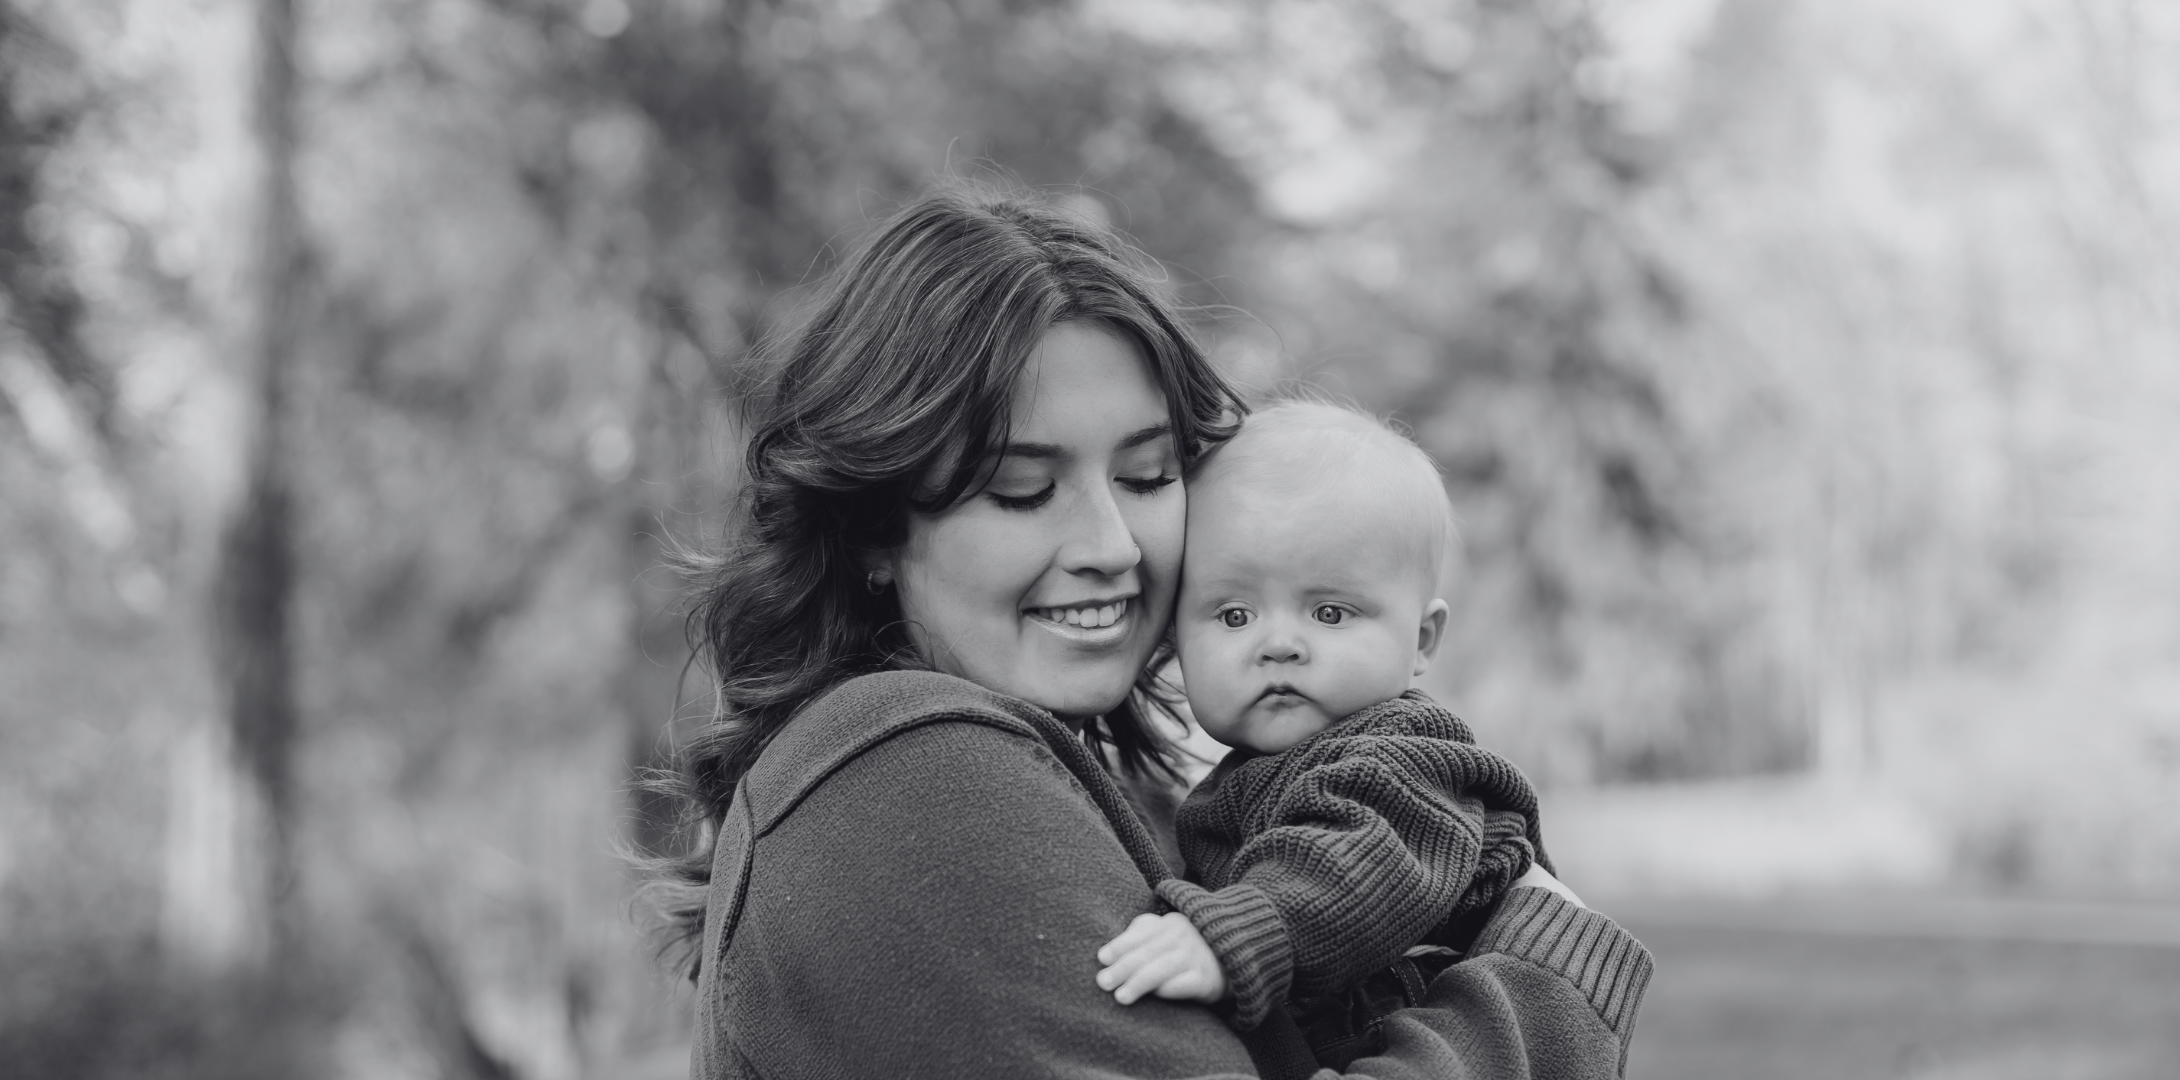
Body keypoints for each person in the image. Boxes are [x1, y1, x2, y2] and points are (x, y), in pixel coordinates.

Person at [654, 186, 1652, 1080]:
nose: (1110, 544)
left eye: (1145, 476)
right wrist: (1540, 988)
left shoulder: (1101, 787)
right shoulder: (914, 769)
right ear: (876, 528)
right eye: (1021, 490)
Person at [1094, 399, 1558, 1069]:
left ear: (1420, 639)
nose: (1278, 643)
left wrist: (1234, 938)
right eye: (1232, 615)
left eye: (1330, 612)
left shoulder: (1404, 753)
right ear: (1175, 638)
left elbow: (1360, 859)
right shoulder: (1242, 777)